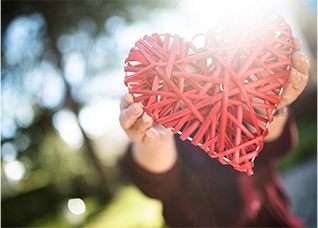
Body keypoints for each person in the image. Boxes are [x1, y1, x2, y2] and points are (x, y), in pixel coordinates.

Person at [119, 37, 310, 227]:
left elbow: (273, 144)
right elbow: (157, 183)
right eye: (163, 78)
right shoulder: (163, 128)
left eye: (184, 64)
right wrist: (155, 142)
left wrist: (271, 105)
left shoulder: (232, 99)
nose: (178, 78)